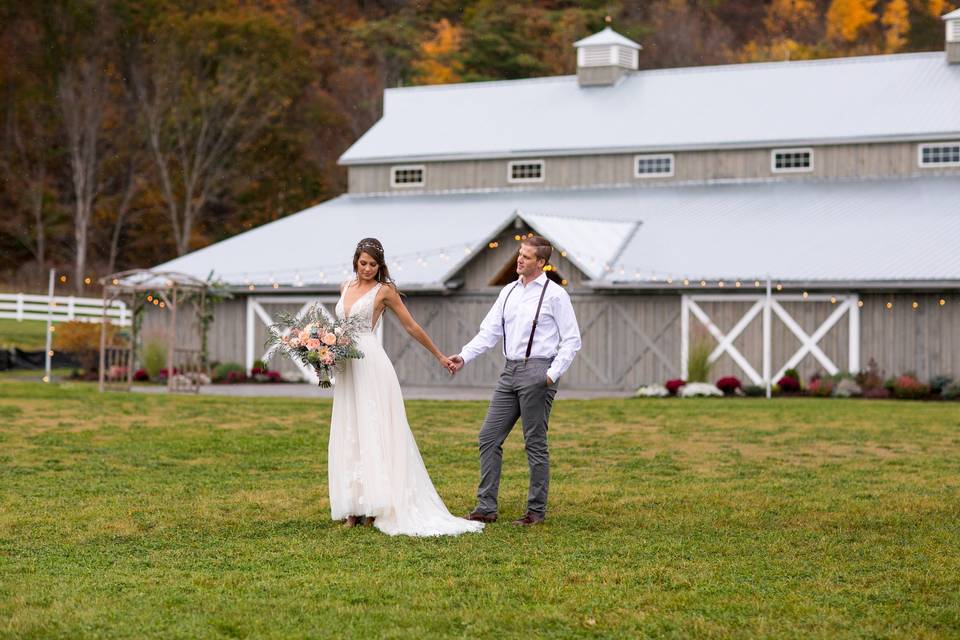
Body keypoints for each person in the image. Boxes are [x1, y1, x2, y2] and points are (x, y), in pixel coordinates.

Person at [328, 238, 483, 537]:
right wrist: (325, 351)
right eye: (363, 263)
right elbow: (339, 328)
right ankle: (352, 507)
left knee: (374, 429)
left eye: (373, 264)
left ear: (380, 265)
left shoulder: (384, 291)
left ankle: (375, 506)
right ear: (355, 262)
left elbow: (411, 326)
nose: (367, 269)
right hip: (347, 367)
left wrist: (439, 355)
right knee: (351, 430)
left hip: (371, 365)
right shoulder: (344, 286)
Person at [448, 235, 582, 526]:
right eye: (520, 254)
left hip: (539, 370)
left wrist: (550, 374)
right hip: (509, 372)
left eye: (527, 256)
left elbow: (572, 340)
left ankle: (535, 511)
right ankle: (486, 508)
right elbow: (489, 332)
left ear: (541, 263)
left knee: (534, 443)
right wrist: (463, 356)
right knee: (488, 437)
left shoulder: (555, 295)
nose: (519, 259)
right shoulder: (508, 291)